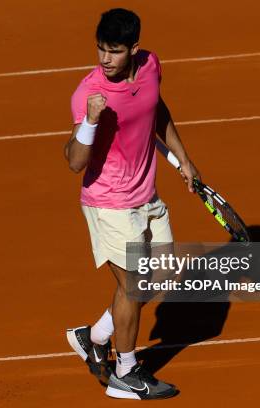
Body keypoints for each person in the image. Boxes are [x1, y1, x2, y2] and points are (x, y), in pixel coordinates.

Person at [64, 8, 200, 400]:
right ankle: (126, 371)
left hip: (146, 197)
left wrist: (183, 160)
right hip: (108, 202)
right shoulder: (89, 93)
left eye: (115, 51)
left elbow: (157, 110)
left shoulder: (152, 66)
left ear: (135, 49)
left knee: (161, 276)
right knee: (135, 286)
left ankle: (94, 337)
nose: (105, 59)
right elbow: (75, 161)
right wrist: (90, 120)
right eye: (100, 50)